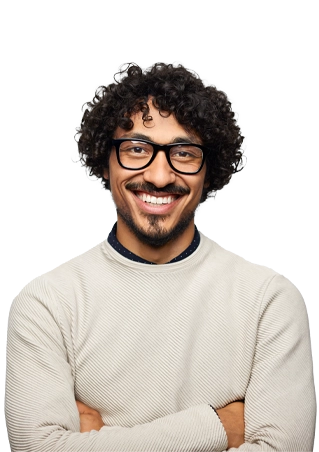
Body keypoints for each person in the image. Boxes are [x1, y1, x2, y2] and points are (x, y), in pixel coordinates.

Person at [5, 61, 316, 451]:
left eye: (183, 153)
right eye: (136, 149)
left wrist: (98, 442)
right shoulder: (47, 303)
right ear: (105, 161)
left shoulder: (268, 301)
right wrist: (218, 427)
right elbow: (38, 448)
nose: (159, 176)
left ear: (210, 170)